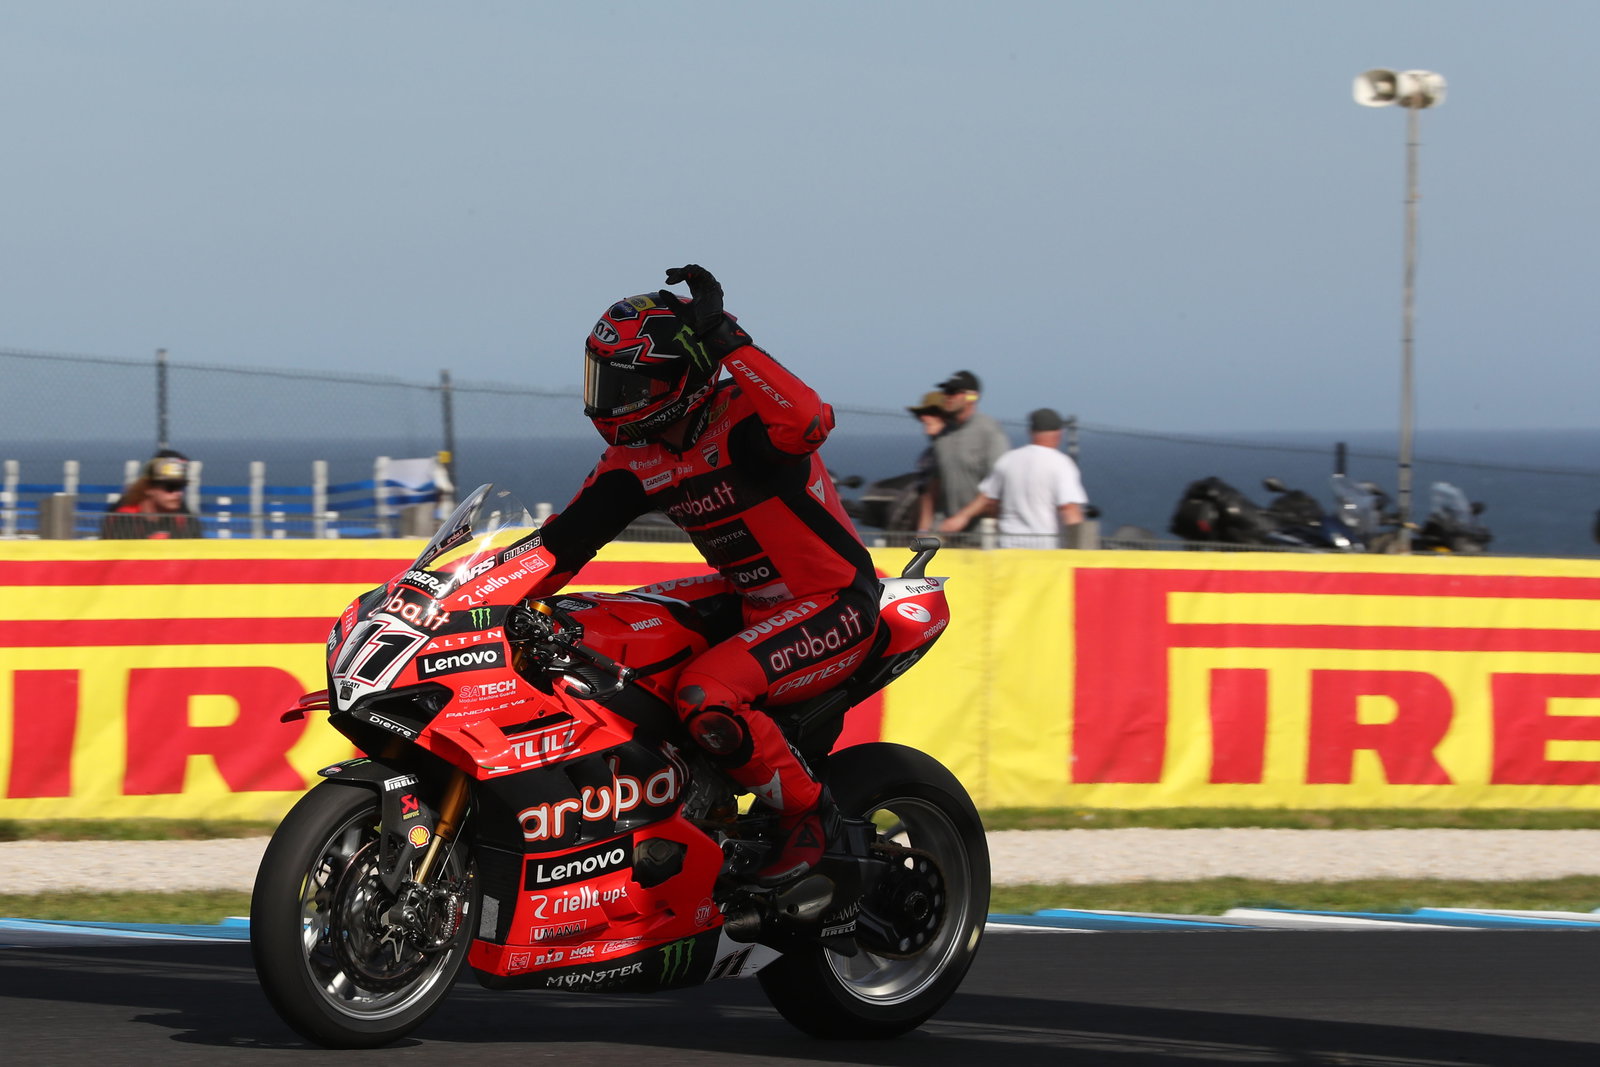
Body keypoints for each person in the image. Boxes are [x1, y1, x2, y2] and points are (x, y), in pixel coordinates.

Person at [511, 265, 875, 886]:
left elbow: (810, 421)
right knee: (596, 627)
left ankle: (809, 817)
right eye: (602, 377)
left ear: (676, 377)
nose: (607, 398)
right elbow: (560, 547)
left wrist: (728, 339)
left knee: (706, 693)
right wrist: (460, 597)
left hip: (833, 603)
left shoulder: (746, 421)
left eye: (626, 381)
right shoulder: (638, 457)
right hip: (750, 601)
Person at [939, 408, 1088, 548]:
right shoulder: (1061, 464)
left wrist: (961, 517)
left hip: (1009, 548)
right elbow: (1069, 510)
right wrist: (1081, 550)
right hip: (1045, 551)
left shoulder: (1009, 460)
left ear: (1031, 432)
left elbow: (987, 498)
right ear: (1058, 434)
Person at [916, 370, 1010, 533]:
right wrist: (923, 531)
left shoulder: (989, 431)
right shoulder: (943, 436)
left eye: (953, 392)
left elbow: (998, 485)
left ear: (971, 397)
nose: (947, 396)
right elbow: (933, 487)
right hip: (946, 533)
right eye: (946, 391)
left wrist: (963, 517)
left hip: (982, 535)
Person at [100, 451, 201, 539]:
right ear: (148, 488)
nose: (178, 493)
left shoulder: (186, 522)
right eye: (170, 487)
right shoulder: (124, 520)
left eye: (181, 487)